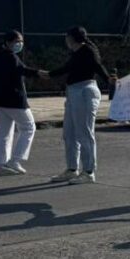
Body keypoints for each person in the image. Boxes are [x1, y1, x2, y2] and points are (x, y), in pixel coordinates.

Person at [46, 27, 115, 185]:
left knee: (84, 132)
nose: (66, 40)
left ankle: (89, 172)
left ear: (72, 38)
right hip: (73, 92)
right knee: (69, 133)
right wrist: (49, 74)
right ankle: (72, 169)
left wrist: (107, 79)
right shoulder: (76, 53)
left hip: (85, 91)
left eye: (67, 37)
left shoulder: (88, 50)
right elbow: (67, 68)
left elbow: (98, 66)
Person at [0, 30, 42, 176]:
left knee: (4, 133)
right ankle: (15, 160)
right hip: (14, 100)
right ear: (8, 42)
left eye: (21, 41)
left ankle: (1, 164)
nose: (20, 44)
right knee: (29, 127)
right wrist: (39, 73)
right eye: (17, 41)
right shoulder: (10, 57)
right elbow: (23, 70)